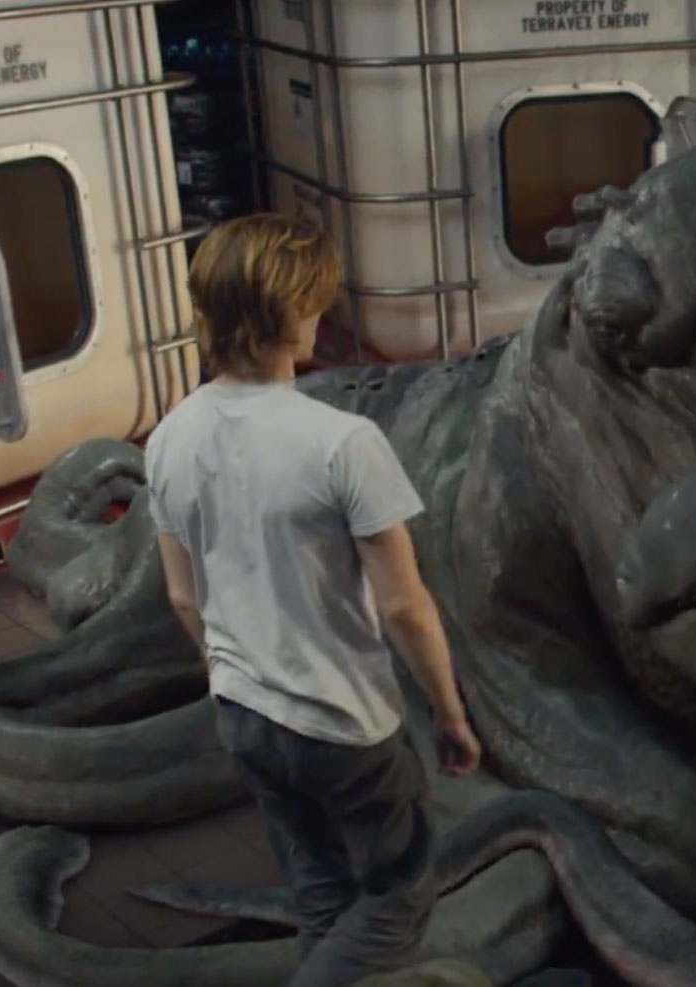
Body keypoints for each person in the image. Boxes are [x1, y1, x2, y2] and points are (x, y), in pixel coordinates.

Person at [144, 213, 482, 987]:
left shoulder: (167, 439)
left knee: (321, 885)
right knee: (400, 895)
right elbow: (404, 606)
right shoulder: (343, 442)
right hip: (342, 723)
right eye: (315, 299)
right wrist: (448, 711)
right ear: (290, 311)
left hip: (243, 713)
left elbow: (181, 595)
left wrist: (236, 673)